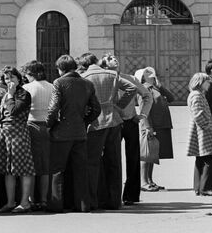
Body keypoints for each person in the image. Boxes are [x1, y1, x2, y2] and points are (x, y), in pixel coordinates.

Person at [79, 52, 137, 210]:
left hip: (95, 122)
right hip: (114, 119)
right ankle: (114, 201)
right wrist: (119, 106)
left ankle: (93, 200)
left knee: (92, 161)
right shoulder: (112, 74)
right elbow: (132, 88)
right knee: (114, 161)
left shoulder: (84, 77)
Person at [47, 54, 101, 213]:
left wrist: (49, 125)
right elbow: (96, 109)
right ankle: (83, 205)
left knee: (57, 170)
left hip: (61, 133)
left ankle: (56, 204)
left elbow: (53, 108)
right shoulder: (87, 84)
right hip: (80, 132)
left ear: (61, 68)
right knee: (80, 170)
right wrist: (85, 122)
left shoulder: (59, 82)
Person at [102, 53, 152, 206]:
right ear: (104, 63)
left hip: (130, 120)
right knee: (110, 159)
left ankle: (131, 195)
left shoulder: (130, 79)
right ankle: (110, 195)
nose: (114, 60)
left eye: (115, 58)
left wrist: (142, 114)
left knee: (133, 159)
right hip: (111, 123)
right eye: (110, 58)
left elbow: (147, 96)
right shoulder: (104, 79)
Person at [0, 66, 35, 213]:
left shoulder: (24, 94)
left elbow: (14, 111)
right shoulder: (5, 95)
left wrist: (10, 94)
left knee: (24, 169)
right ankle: (10, 202)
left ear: (18, 79)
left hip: (19, 132)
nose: (9, 80)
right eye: (6, 78)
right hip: (5, 133)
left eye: (12, 77)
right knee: (7, 169)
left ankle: (25, 202)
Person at [135, 66, 175, 191]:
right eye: (147, 72)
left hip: (160, 124)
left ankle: (150, 180)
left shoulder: (155, 88)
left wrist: (160, 86)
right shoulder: (143, 89)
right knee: (146, 154)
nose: (151, 73)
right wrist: (148, 126)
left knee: (153, 154)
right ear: (142, 77)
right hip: (150, 125)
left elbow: (171, 98)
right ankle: (143, 182)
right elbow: (143, 109)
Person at [23, 59, 54, 211]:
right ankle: (43, 199)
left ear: (30, 73)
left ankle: (30, 199)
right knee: (45, 166)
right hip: (47, 127)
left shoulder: (26, 88)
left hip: (30, 126)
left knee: (31, 165)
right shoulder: (52, 87)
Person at [187, 72, 212, 195]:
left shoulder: (198, 94)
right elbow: (197, 114)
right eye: (206, 81)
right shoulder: (197, 95)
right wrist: (206, 126)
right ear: (200, 82)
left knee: (201, 159)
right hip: (202, 132)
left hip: (201, 131)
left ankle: (199, 187)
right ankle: (206, 188)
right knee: (208, 158)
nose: (208, 83)